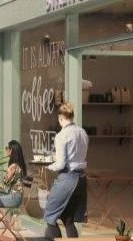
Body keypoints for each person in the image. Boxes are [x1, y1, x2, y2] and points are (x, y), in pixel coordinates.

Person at [44, 102, 89, 240]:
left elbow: (61, 164)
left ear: (61, 118)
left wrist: (47, 166)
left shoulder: (61, 135)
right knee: (68, 218)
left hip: (68, 178)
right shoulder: (82, 132)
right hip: (81, 179)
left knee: (50, 216)